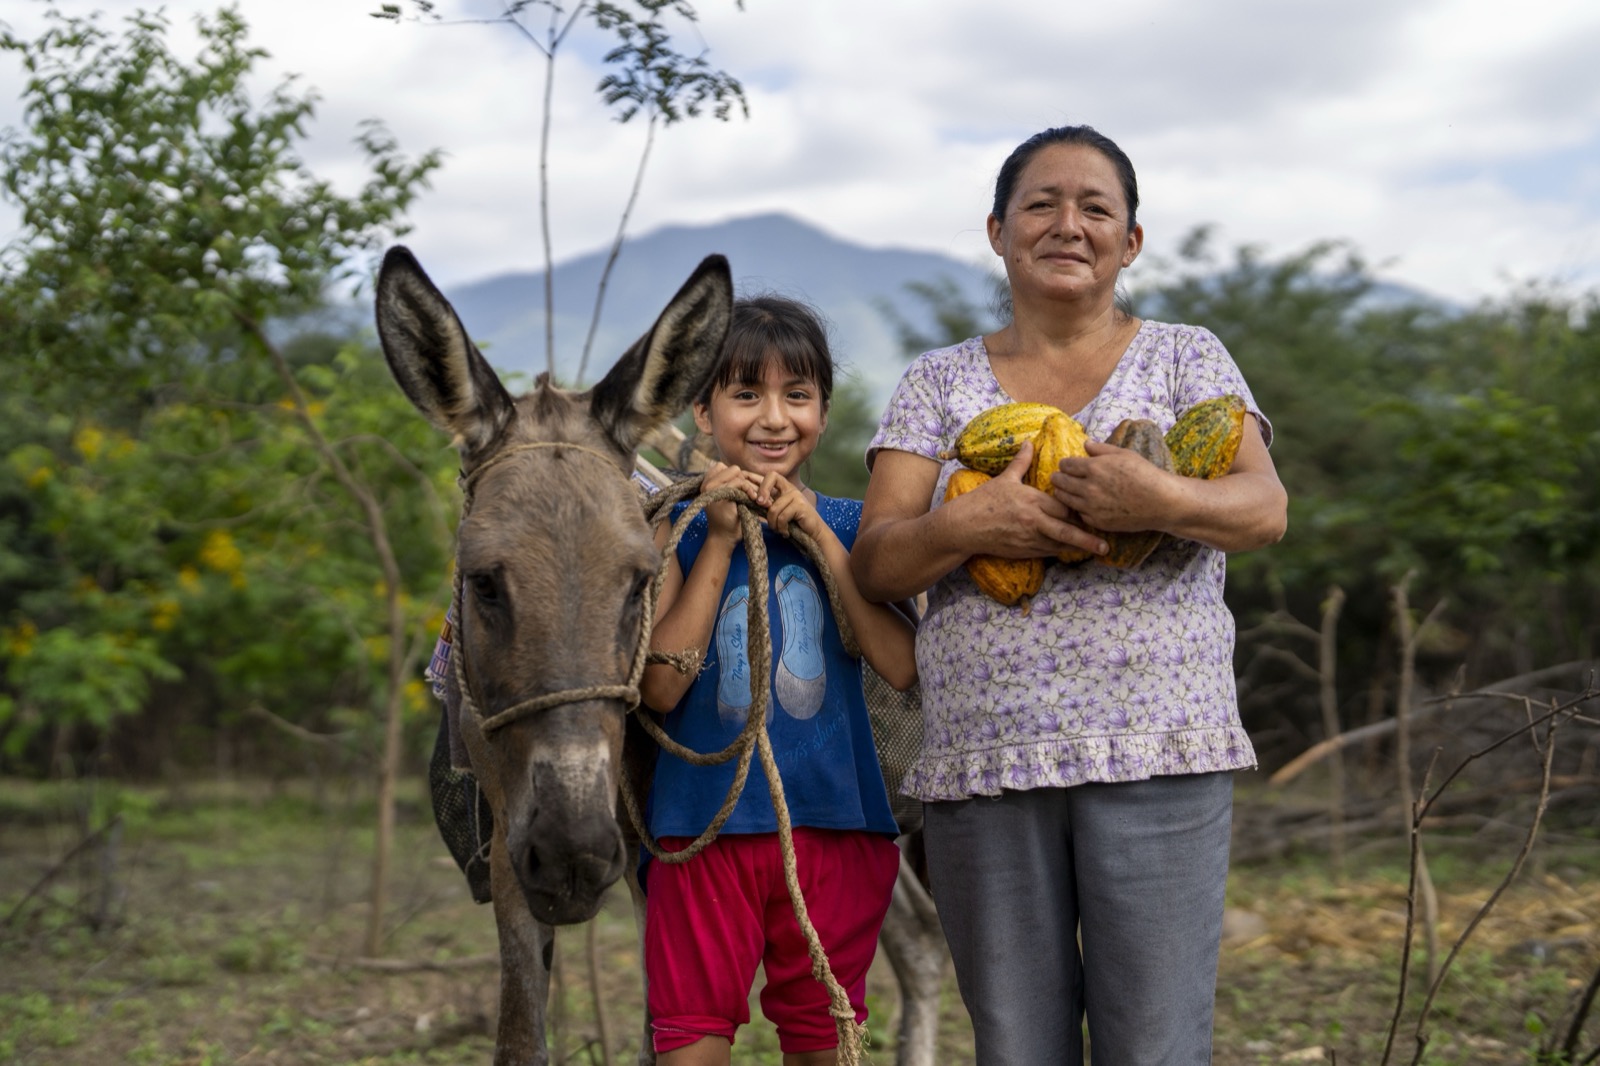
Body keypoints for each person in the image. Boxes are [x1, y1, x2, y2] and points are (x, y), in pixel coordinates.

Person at [850, 125, 1288, 1064]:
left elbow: (1263, 509)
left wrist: (1156, 496)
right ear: (999, 230)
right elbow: (878, 564)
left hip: (1159, 747)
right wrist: (966, 528)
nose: (1068, 224)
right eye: (1041, 204)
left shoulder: (1185, 358)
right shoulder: (938, 382)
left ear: (1130, 243)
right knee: (1016, 1045)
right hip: (986, 760)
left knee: (1155, 1042)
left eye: (1097, 208)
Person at [638, 295, 919, 1066]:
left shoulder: (856, 527)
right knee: (691, 1041)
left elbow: (899, 665)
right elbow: (659, 688)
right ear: (702, 411)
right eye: (744, 394)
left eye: (797, 395)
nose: (773, 417)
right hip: (703, 831)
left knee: (824, 1037)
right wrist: (722, 542)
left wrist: (819, 534)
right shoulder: (672, 528)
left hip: (837, 827)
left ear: (824, 413)